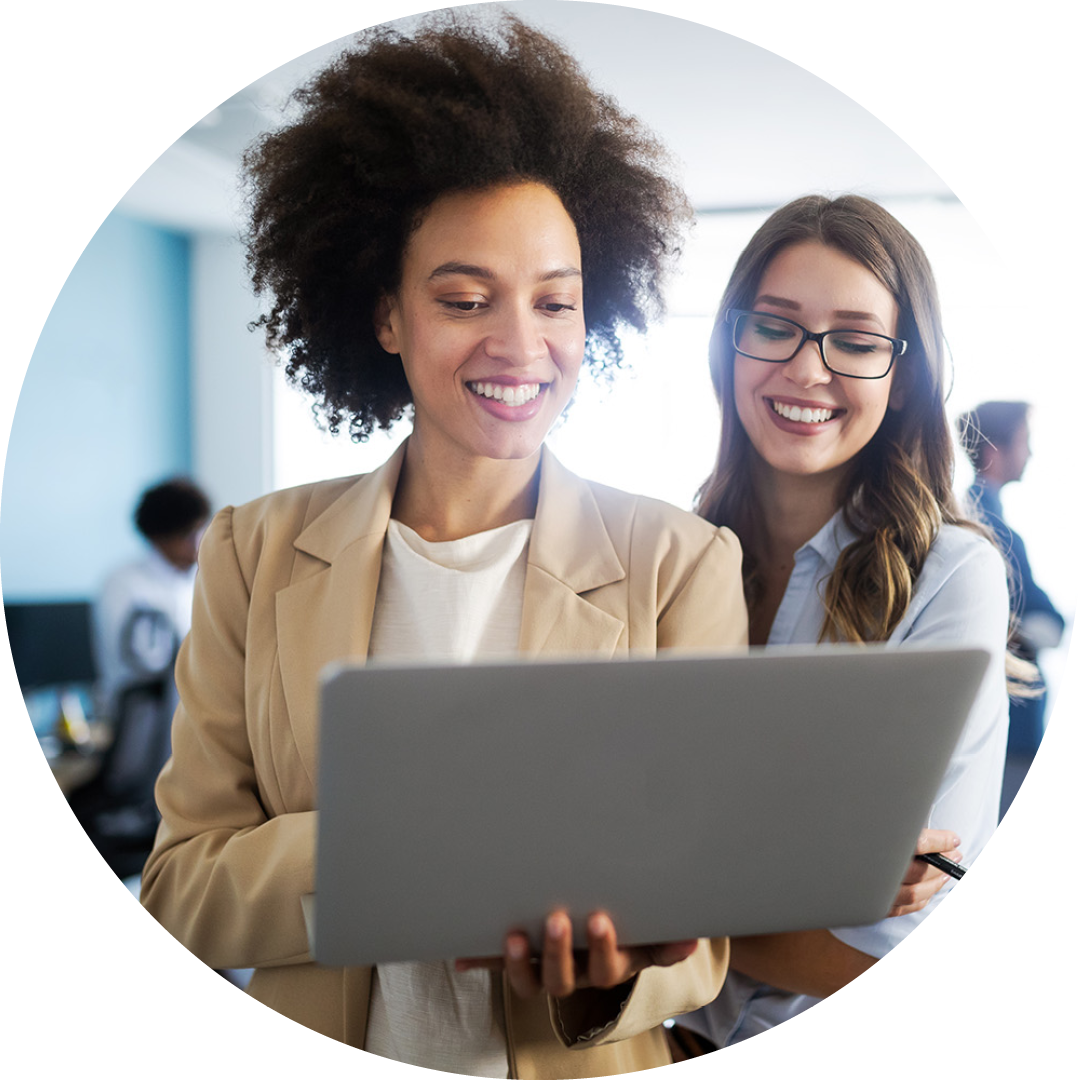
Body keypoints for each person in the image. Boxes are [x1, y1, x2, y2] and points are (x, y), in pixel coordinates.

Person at [139, 13, 748, 1078]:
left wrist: (606, 975)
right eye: (466, 299)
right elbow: (182, 892)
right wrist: (404, 846)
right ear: (385, 316)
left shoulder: (680, 564)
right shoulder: (253, 552)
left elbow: (709, 935)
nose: (520, 344)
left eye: (555, 301)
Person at [671, 195, 1011, 1051]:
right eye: (775, 327)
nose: (807, 370)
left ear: (903, 381)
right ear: (732, 343)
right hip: (654, 1042)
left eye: (856, 343)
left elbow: (886, 955)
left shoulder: (952, 576)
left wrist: (665, 912)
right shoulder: (668, 554)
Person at [958, 400, 1065, 816]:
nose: (1031, 453)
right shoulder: (988, 526)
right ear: (995, 450)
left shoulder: (980, 513)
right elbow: (1042, 621)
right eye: (1025, 441)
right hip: (1008, 729)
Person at [93, 477, 210, 722]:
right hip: (143, 720)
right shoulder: (124, 584)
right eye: (188, 534)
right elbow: (142, 663)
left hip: (194, 714)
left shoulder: (200, 580)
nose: (198, 542)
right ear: (161, 537)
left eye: (201, 531)